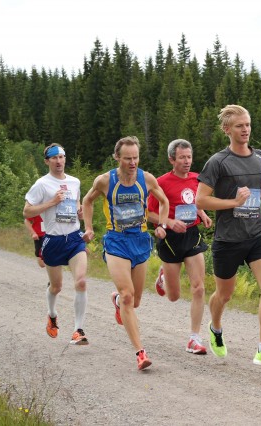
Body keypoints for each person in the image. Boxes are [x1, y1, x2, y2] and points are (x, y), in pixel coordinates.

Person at [195, 104, 261, 368]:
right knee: (224, 295)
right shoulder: (218, 162)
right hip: (228, 238)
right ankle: (216, 327)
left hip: (256, 233)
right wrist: (233, 202)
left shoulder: (260, 157)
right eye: (239, 126)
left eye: (248, 125)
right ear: (227, 130)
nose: (245, 130)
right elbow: (201, 199)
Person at [82, 136, 169, 371]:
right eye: (127, 158)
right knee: (129, 294)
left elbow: (163, 201)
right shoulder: (104, 181)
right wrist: (89, 228)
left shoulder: (147, 178)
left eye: (136, 158)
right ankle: (141, 353)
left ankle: (118, 301)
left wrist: (162, 225)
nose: (132, 163)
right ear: (117, 158)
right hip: (116, 241)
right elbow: (87, 201)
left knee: (135, 300)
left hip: (140, 241)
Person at [147, 139, 212, 355]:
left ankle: (194, 338)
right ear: (172, 160)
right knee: (173, 296)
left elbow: (196, 202)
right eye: (182, 157)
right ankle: (164, 276)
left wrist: (202, 214)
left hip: (192, 236)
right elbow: (149, 213)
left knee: (199, 287)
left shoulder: (197, 179)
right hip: (170, 239)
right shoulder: (161, 182)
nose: (187, 161)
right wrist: (168, 222)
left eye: (189, 157)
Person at [23, 143, 89, 346]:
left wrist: (80, 213)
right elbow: (27, 212)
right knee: (56, 286)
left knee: (81, 282)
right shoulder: (42, 184)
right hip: (53, 240)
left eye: (62, 157)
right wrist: (51, 202)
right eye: (54, 158)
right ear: (47, 161)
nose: (59, 161)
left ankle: (78, 330)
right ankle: (52, 315)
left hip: (75, 238)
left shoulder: (74, 182)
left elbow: (77, 205)